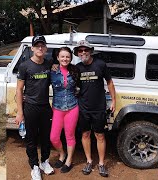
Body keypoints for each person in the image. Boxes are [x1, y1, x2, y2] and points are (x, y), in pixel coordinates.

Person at [74, 40, 116, 177]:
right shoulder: (77, 67)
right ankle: (89, 161)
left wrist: (113, 100)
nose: (83, 52)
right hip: (83, 108)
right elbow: (74, 84)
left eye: (85, 50)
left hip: (99, 107)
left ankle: (102, 164)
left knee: (100, 135)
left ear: (90, 51)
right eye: (80, 51)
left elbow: (109, 82)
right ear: (78, 53)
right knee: (85, 134)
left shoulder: (100, 64)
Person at [16, 35, 54, 180]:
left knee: (46, 137)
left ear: (46, 48)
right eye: (37, 46)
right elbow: (19, 90)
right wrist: (20, 112)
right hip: (30, 107)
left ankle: (44, 162)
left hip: (45, 107)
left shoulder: (49, 64)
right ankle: (35, 166)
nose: (40, 48)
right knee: (31, 139)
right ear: (32, 48)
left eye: (42, 46)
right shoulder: (25, 66)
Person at [50, 47, 80, 173]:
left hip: (72, 107)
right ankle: (62, 154)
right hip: (57, 108)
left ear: (71, 58)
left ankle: (69, 160)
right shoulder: (52, 71)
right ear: (58, 58)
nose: (65, 59)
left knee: (70, 135)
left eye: (67, 57)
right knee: (54, 137)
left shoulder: (75, 70)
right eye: (62, 56)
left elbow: (81, 87)